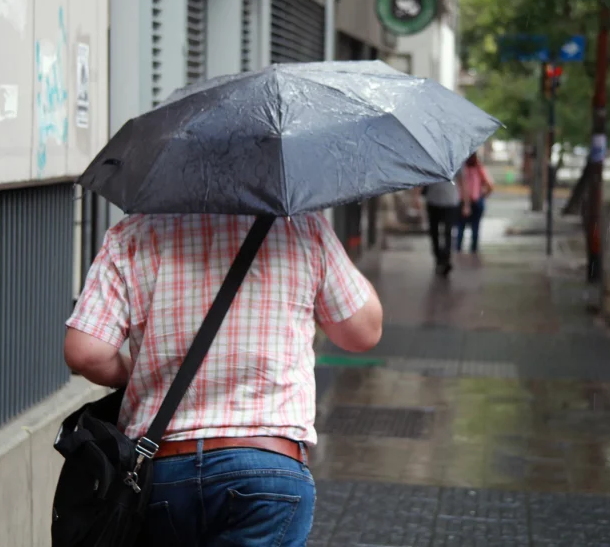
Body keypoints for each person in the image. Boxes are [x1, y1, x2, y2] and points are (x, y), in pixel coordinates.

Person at [63, 213, 383, 546]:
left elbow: (85, 352)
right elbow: (363, 332)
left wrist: (135, 371)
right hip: (269, 469)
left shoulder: (134, 232)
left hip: (163, 470)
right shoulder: (302, 226)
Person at [414, 178, 461, 276]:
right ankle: (438, 257)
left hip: (450, 202)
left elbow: (462, 181)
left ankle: (446, 258)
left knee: (448, 231)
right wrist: (416, 197)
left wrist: (466, 203)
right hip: (433, 202)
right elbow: (421, 180)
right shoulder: (431, 167)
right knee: (434, 232)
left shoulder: (456, 168)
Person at [457, 152, 494, 253]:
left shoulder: (463, 168)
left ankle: (460, 250)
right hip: (472, 201)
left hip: (467, 201)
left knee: (462, 228)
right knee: (473, 228)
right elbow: (490, 185)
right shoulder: (477, 168)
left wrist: (482, 195)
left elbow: (490, 185)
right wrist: (482, 195)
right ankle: (471, 250)